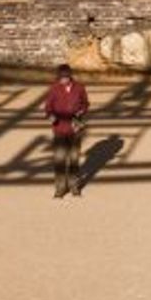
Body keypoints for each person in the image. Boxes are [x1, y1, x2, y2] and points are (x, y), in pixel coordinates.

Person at [42, 64, 90, 199]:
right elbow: (47, 108)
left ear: (70, 76)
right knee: (60, 160)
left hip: (75, 129)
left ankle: (74, 186)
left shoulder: (80, 88)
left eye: (65, 78)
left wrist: (82, 111)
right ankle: (60, 188)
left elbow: (85, 104)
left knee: (74, 159)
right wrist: (50, 116)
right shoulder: (54, 89)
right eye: (60, 78)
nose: (62, 80)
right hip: (59, 129)